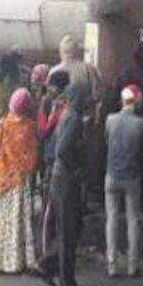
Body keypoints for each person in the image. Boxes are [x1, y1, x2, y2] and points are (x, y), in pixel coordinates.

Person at [0, 88, 40, 273]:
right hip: (20, 186)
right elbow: (33, 159)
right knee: (16, 223)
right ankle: (15, 262)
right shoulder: (30, 128)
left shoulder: (0, 127)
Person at [48, 83, 94, 286]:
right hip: (66, 180)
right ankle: (67, 284)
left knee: (69, 229)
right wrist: (76, 169)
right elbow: (63, 150)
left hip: (60, 178)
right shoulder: (74, 118)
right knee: (68, 232)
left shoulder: (67, 114)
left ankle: (48, 265)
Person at [50, 37, 103, 205]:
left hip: (59, 130)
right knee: (82, 170)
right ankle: (82, 201)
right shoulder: (89, 70)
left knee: (60, 170)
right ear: (77, 50)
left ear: (61, 51)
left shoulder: (54, 72)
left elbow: (49, 104)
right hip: (84, 129)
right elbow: (98, 98)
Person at [104, 86, 143, 278]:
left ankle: (112, 265)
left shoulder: (110, 120)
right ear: (136, 101)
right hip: (132, 176)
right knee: (133, 219)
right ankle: (132, 265)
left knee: (112, 218)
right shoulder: (141, 123)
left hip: (112, 175)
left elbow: (107, 142)